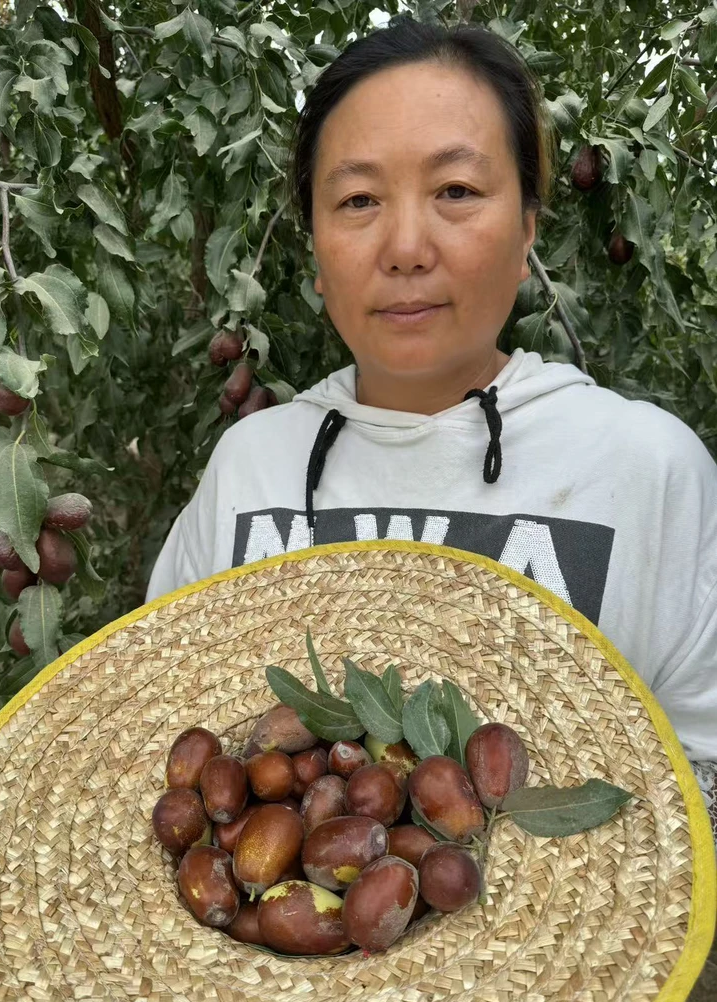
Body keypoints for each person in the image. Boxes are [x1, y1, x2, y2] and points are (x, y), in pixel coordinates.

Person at [145, 19, 717, 837]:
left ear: (527, 232)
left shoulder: (647, 468)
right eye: (358, 200)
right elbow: (164, 741)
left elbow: (706, 766)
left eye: (455, 191)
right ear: (314, 249)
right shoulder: (251, 467)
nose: (407, 246)